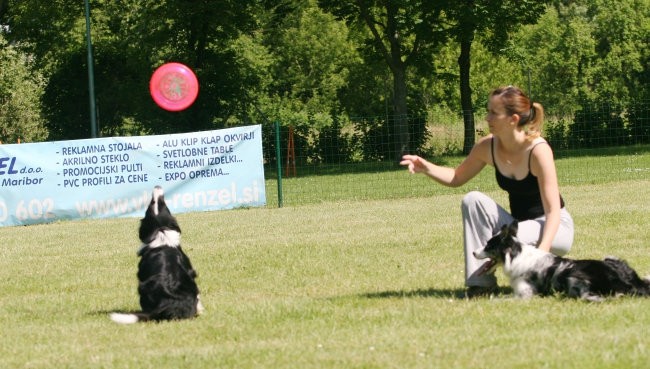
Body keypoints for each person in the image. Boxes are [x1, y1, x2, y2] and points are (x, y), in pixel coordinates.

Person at [400, 85, 574, 297]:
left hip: (554, 228)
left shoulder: (538, 150)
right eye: (488, 111)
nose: (488, 117)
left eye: (494, 113)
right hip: (517, 228)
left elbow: (553, 211)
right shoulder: (487, 147)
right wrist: (426, 167)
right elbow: (456, 177)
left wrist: (542, 254)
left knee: (509, 235)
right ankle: (481, 284)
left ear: (513, 119)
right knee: (473, 200)